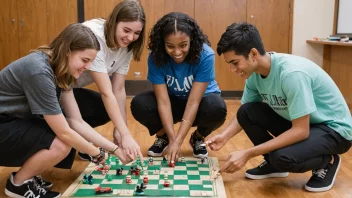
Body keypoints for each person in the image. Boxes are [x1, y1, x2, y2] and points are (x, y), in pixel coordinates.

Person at [209, 22, 352, 192]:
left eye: (235, 62)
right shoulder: (254, 76)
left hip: (335, 131)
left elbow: (301, 131)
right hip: (306, 124)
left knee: (281, 157)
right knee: (247, 112)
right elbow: (244, 114)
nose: (233, 69)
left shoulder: (291, 74)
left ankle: (327, 161)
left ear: (253, 54)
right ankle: (274, 165)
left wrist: (248, 153)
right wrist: (224, 136)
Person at [0, 23, 132, 198]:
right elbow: (65, 132)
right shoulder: (39, 71)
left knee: (63, 137)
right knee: (62, 143)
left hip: (13, 120)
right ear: (68, 50)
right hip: (4, 124)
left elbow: (76, 121)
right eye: (85, 60)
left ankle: (28, 175)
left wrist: (114, 149)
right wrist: (98, 153)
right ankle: (17, 185)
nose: (87, 66)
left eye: (91, 61)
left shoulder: (61, 71)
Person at [130, 12, 227, 163]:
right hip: (172, 102)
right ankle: (163, 137)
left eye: (183, 45)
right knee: (140, 103)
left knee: (217, 107)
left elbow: (193, 102)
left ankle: (198, 137)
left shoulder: (205, 55)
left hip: (200, 104)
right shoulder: (155, 57)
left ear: (192, 40)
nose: (177, 52)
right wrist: (172, 138)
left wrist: (179, 141)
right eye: (170, 46)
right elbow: (163, 101)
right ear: (162, 43)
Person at [74, 0, 146, 161]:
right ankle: (79, 142)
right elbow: (106, 93)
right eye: (126, 30)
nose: (130, 37)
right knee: (98, 107)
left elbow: (119, 89)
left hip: (72, 89)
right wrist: (125, 135)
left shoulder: (127, 46)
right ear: (114, 22)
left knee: (105, 110)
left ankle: (83, 141)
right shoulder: (94, 36)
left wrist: (120, 130)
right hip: (56, 87)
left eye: (136, 33)